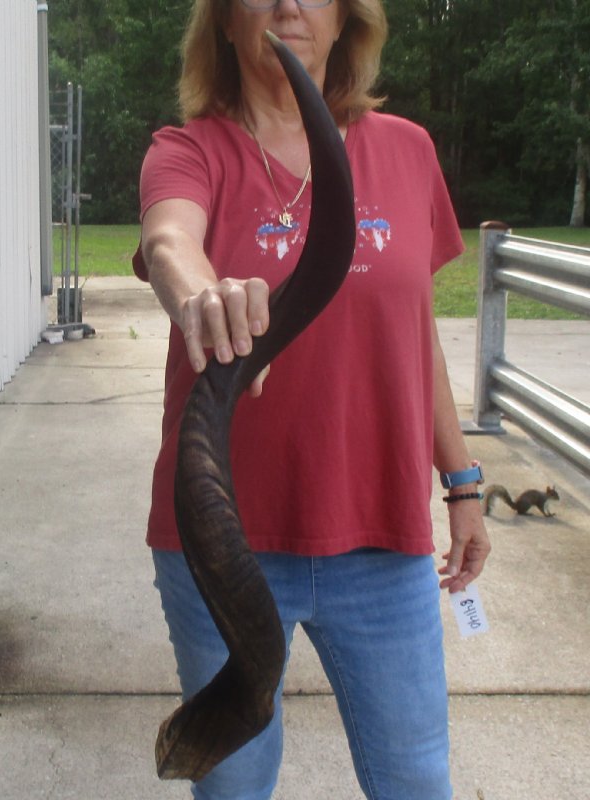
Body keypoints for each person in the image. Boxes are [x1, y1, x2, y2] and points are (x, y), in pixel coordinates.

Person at [132, 0, 492, 798]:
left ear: (346, 20)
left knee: (415, 781)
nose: (290, 4)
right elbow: (168, 241)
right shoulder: (189, 150)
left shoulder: (407, 149)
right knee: (233, 786)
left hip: (382, 540)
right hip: (224, 548)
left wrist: (463, 483)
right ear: (226, 21)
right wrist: (201, 297)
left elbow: (417, 336)